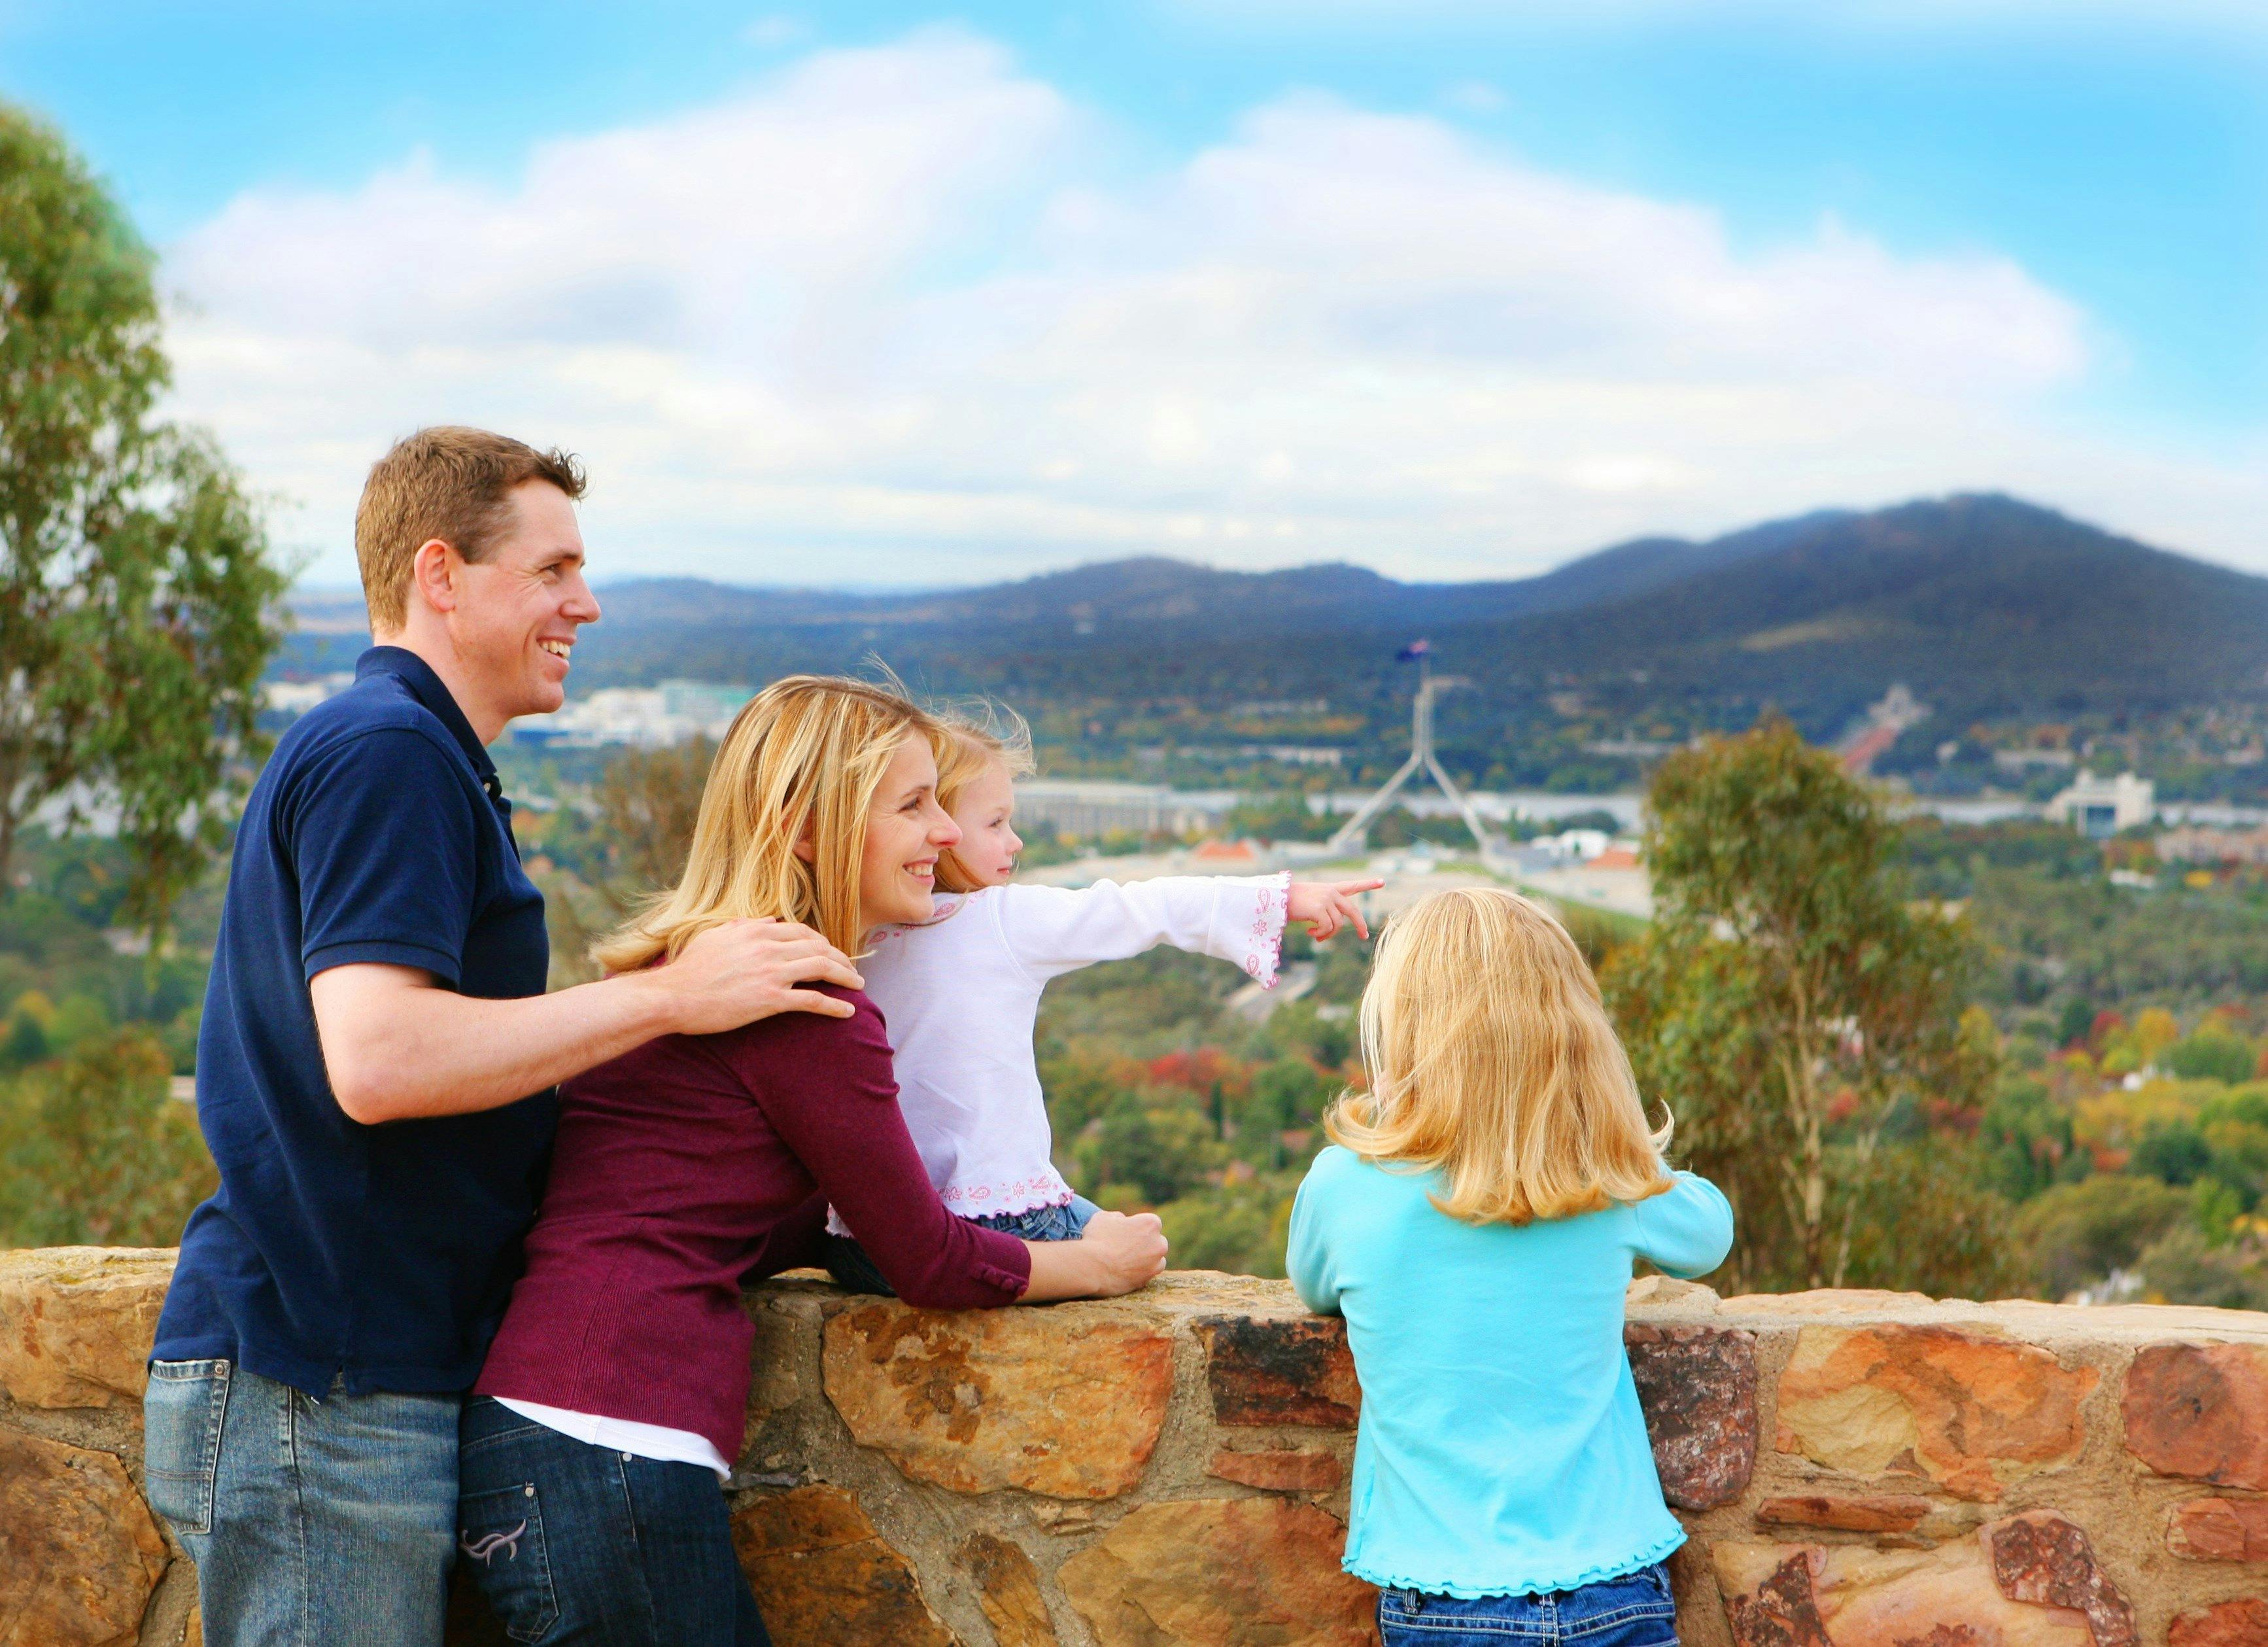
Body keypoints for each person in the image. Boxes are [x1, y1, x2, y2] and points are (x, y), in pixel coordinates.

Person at [141, 429, 865, 1647]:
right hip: (316, 1379)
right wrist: (670, 999)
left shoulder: (419, 755)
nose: (583, 603)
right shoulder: (389, 753)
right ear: (440, 575)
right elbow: (379, 1060)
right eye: (552, 569)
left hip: (356, 1370)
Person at [459, 676, 1169, 1646]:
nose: (948, 835)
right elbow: (927, 1257)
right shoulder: (802, 998)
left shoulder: (700, 967)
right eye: (913, 807)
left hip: (551, 1436)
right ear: (806, 828)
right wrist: (1100, 1260)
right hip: (610, 1442)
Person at [1287, 887, 1733, 1647]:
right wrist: (1607, 1132)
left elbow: (1312, 1283)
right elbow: (1708, 1232)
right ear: (1571, 1036)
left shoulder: (1342, 1186)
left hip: (1441, 1596)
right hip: (1611, 1585)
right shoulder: (1602, 1178)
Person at [821, 708, 1378, 1292]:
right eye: (996, 823)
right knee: (1141, 1242)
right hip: (1000, 1223)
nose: (1015, 841)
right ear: (945, 832)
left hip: (861, 1243)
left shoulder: (853, 929)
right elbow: (1137, 908)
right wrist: (1279, 898)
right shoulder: (1000, 919)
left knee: (1088, 1209)